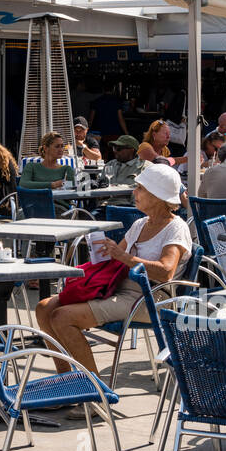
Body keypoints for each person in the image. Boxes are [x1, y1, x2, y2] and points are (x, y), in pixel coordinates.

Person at [35, 163, 192, 387]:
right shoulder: (140, 224)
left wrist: (122, 256)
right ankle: (66, 381)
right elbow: (116, 260)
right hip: (119, 288)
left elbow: (166, 271)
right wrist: (104, 252)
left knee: (63, 317)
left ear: (157, 196)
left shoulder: (175, 228)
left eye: (140, 188)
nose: (134, 192)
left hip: (150, 298)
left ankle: (94, 391)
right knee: (44, 307)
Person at [88, 81, 128, 146]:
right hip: (114, 134)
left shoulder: (96, 101)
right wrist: (127, 133)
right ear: (113, 89)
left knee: (101, 153)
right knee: (113, 153)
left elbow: (90, 120)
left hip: (99, 134)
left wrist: (87, 131)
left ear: (103, 89)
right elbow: (121, 119)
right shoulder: (117, 101)